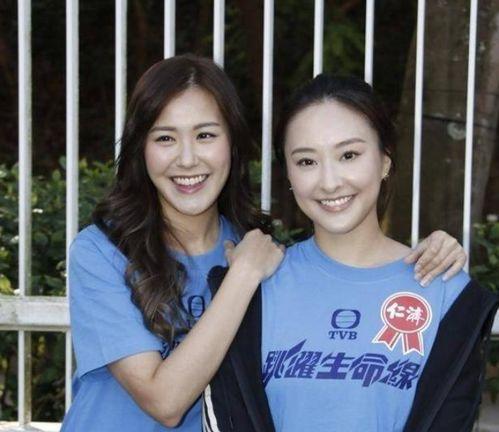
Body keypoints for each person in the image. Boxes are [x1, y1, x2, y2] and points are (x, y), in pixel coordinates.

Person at [61, 55, 469, 432]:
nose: (187, 159)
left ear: (233, 144)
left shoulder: (258, 249)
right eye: (165, 138)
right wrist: (242, 276)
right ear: (141, 148)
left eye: (205, 135)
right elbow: (164, 402)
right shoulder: (102, 251)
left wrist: (436, 250)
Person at [205, 75, 499, 432]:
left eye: (349, 155)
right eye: (307, 161)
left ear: (385, 160)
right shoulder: (251, 289)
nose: (330, 182)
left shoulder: (446, 292)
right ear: (289, 175)